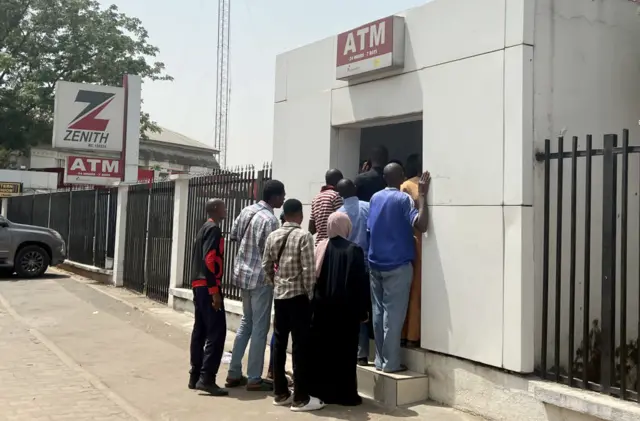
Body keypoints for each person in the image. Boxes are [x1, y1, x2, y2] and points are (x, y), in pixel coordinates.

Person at [263, 199, 325, 412]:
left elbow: (266, 266)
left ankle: (280, 393)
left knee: (279, 343)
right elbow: (308, 270)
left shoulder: (273, 235)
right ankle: (300, 397)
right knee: (300, 345)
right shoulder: (304, 236)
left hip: (280, 297)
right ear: (299, 214)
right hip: (298, 297)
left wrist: (276, 283)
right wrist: (309, 294)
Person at [368, 163, 430, 373]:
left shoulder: (375, 198)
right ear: (402, 177)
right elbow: (421, 225)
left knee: (378, 313)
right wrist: (422, 196)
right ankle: (390, 363)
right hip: (397, 264)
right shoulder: (403, 199)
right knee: (393, 316)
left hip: (375, 263)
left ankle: (379, 360)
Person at [225, 180, 285, 391]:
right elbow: (272, 254)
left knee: (246, 323)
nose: (284, 199)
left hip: (242, 275)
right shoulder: (270, 220)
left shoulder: (247, 211)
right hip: (260, 279)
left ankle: (233, 372)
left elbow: (233, 236)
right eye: (282, 195)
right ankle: (253, 377)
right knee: (260, 328)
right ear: (275, 197)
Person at [309, 212, 369, 406]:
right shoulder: (354, 250)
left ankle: (323, 392)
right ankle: (345, 395)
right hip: (346, 312)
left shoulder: (321, 247)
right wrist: (363, 311)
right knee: (346, 353)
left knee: (324, 351)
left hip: (322, 310)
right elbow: (359, 283)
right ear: (346, 227)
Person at [188, 199, 229, 396]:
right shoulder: (213, 229)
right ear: (215, 209)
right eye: (223, 207)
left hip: (198, 285)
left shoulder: (202, 228)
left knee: (200, 331)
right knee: (216, 332)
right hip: (208, 286)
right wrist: (214, 291)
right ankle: (207, 378)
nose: (226, 209)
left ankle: (195, 375)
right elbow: (210, 259)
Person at [336, 179, 372, 366]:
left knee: (346, 308)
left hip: (344, 268)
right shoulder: (368, 207)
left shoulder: (338, 215)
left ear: (340, 194)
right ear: (356, 189)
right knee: (363, 310)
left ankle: (346, 348)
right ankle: (362, 354)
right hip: (366, 265)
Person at [400, 154, 422, 348]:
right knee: (417, 290)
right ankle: (413, 335)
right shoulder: (419, 186)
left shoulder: (407, 186)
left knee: (412, 289)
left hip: (414, 240)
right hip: (422, 242)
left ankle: (408, 334)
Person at [309, 169, 344, 245]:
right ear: (338, 182)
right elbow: (341, 221)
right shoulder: (336, 196)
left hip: (319, 245)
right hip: (333, 245)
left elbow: (311, 229)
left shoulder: (316, 198)